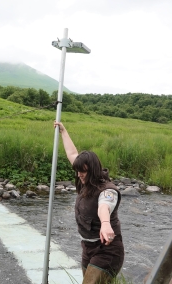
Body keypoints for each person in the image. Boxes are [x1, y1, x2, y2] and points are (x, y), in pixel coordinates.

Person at [54, 120, 124, 284]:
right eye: (77, 171)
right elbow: (72, 154)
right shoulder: (84, 180)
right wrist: (63, 131)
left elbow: (104, 206)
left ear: (92, 170)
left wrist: (106, 224)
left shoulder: (108, 190)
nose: (79, 175)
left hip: (108, 251)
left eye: (83, 171)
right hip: (88, 248)